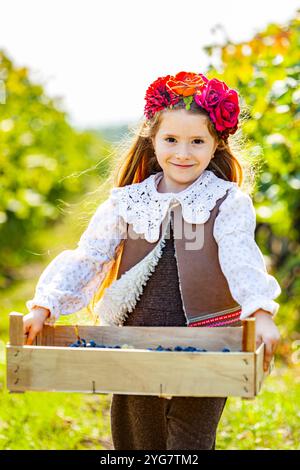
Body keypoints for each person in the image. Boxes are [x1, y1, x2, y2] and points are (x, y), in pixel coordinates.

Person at [23, 71, 281, 450]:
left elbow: (242, 257)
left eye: (197, 141)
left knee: (191, 437)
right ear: (153, 140)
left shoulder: (228, 201)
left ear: (216, 146)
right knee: (136, 435)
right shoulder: (127, 201)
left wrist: (260, 312)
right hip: (136, 336)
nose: (183, 152)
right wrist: (47, 304)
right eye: (171, 140)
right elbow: (91, 255)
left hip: (208, 338)